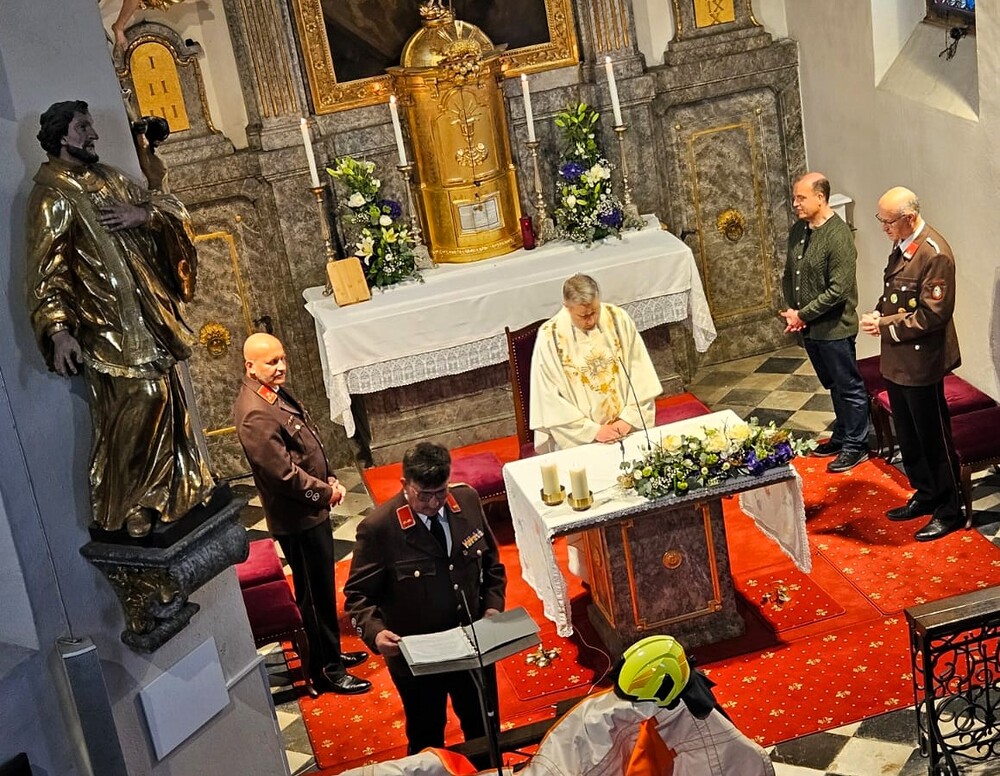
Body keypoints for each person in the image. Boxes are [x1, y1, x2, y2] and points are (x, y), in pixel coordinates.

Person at [26, 100, 214, 538]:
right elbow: (46, 271)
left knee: (167, 398)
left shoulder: (108, 178)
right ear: (61, 137)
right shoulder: (51, 197)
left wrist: (143, 215)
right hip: (107, 328)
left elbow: (166, 207)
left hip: (147, 318)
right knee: (142, 401)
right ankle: (131, 502)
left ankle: (174, 491)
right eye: (83, 127)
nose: (93, 134)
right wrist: (58, 330)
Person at [344, 442, 507, 754]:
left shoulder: (467, 501)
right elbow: (357, 596)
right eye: (424, 495)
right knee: (426, 737)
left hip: (471, 645)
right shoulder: (379, 528)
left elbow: (492, 565)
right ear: (404, 484)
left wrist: (492, 607)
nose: (434, 503)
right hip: (418, 659)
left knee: (485, 731)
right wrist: (375, 633)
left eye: (441, 493)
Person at [234, 333, 371, 695]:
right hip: (298, 518)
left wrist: (328, 475)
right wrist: (325, 493)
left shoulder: (270, 393)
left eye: (282, 358)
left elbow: (304, 443)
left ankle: (333, 653)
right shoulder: (254, 412)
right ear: (250, 366)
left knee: (323, 589)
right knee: (314, 595)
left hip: (309, 512)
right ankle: (327, 669)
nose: (281, 367)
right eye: (271, 362)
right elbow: (282, 475)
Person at [861, 187, 962, 542]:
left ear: (909, 217)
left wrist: (884, 325)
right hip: (898, 358)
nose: (883, 227)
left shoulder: (935, 254)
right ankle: (926, 493)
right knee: (909, 435)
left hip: (921, 361)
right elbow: (894, 292)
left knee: (932, 438)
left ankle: (949, 509)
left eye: (888, 221)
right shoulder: (903, 245)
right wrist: (878, 312)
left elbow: (933, 314)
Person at [780, 172, 870, 473]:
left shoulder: (838, 235)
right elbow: (790, 274)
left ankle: (857, 445)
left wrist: (802, 315)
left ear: (820, 198)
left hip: (834, 328)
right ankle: (842, 435)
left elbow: (838, 290)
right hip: (810, 327)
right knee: (832, 384)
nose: (795, 203)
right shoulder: (798, 230)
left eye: (801, 198)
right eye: (794, 198)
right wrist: (794, 311)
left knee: (848, 386)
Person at [529, 273, 662, 454]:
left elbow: (640, 371)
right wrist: (593, 431)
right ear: (567, 307)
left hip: (627, 429)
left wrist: (629, 418)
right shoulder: (549, 337)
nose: (590, 320)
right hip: (581, 441)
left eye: (594, 312)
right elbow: (549, 398)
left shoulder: (617, 319)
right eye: (583, 316)